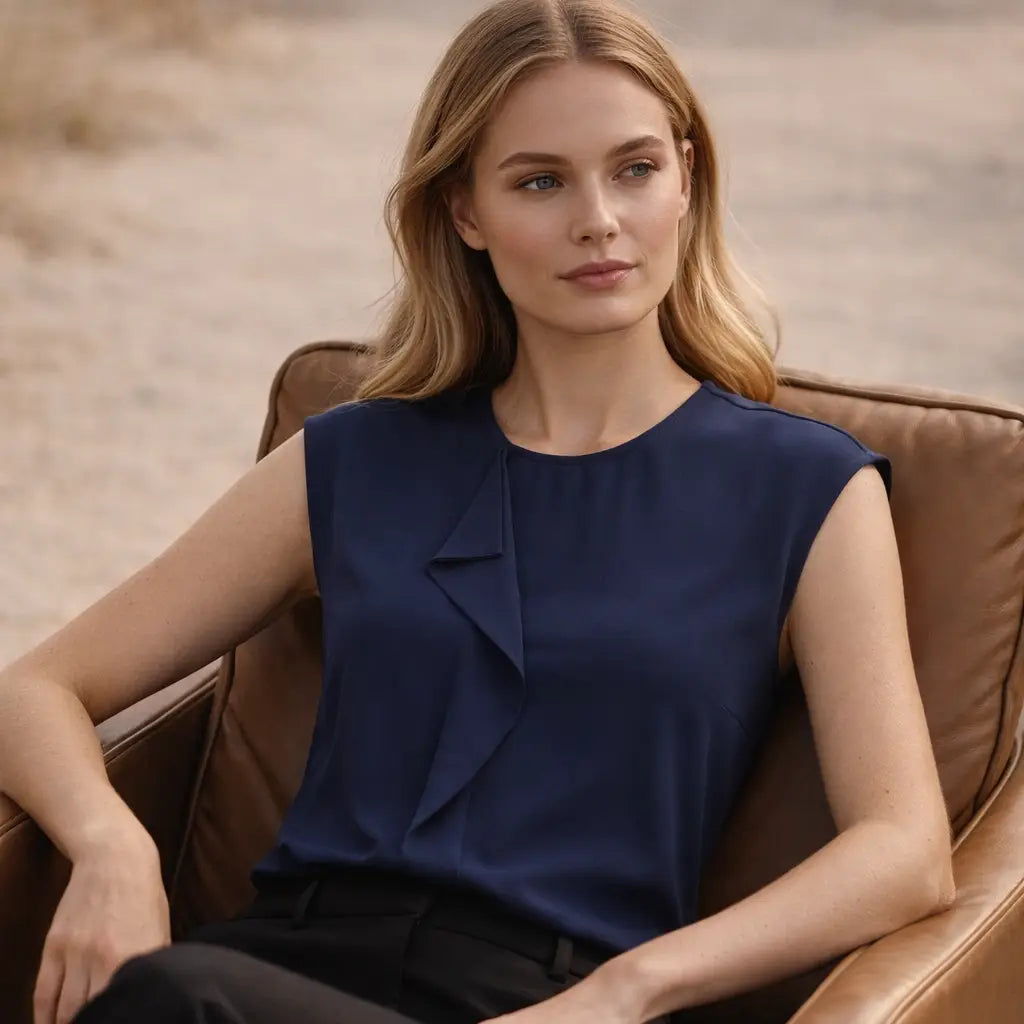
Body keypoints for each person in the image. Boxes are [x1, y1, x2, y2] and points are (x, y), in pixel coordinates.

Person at [0, 1, 956, 1022]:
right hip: (272, 970)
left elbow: (903, 851)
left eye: (634, 168)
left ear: (686, 177)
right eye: (539, 181)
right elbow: (39, 686)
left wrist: (631, 988)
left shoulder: (805, 486)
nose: (597, 217)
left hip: (552, 998)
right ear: (464, 213)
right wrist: (112, 844)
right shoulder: (353, 455)